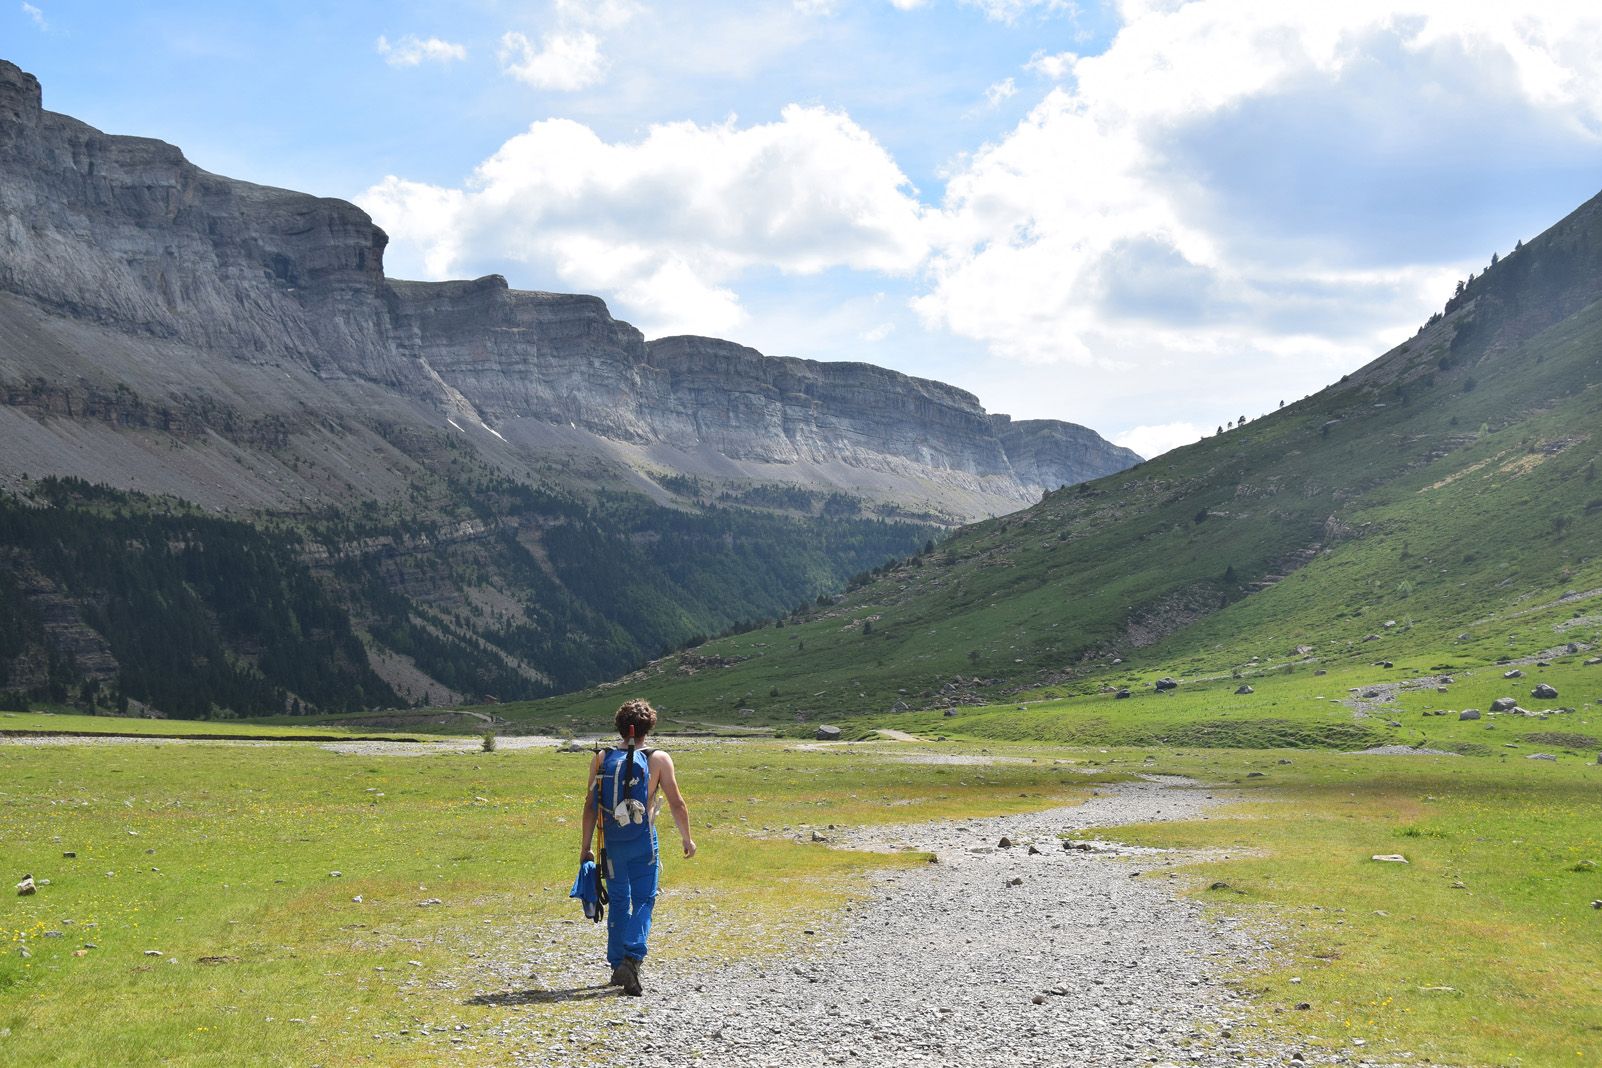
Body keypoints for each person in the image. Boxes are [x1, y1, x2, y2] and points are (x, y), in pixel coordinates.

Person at [580, 698, 696, 996]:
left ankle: (617, 963)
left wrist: (585, 848)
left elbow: (590, 806)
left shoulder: (602, 757)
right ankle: (632, 958)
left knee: (619, 899)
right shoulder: (659, 758)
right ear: (648, 727)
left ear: (619, 726)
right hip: (644, 841)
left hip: (611, 842)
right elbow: (676, 802)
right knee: (644, 898)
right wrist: (687, 838)